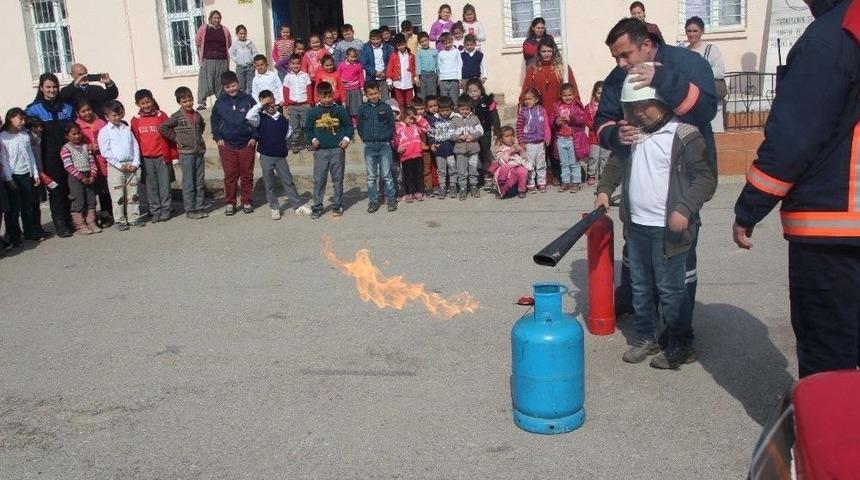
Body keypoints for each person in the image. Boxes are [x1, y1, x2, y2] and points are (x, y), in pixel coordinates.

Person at [732, 0, 860, 377]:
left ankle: (830, 435)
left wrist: (748, 210)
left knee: (829, 359)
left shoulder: (828, 40)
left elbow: (792, 142)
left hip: (831, 230)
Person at [596, 17, 717, 321]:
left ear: (647, 46)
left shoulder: (688, 64)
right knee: (637, 246)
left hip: (681, 179)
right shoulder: (616, 77)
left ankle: (678, 323)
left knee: (678, 253)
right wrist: (615, 134)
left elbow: (706, 111)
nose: (621, 63)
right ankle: (636, 305)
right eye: (616, 57)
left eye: (626, 55)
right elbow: (602, 121)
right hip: (641, 179)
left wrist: (661, 80)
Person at [596, 75, 716, 369]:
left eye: (643, 106)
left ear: (661, 102)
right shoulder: (631, 134)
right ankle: (646, 337)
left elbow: (706, 177)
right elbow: (616, 162)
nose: (637, 113)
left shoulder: (685, 134)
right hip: (636, 226)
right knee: (640, 285)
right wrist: (603, 190)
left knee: (671, 289)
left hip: (670, 230)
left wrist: (685, 209)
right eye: (631, 107)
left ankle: (682, 343)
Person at [245, 90, 312, 220]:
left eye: (271, 102)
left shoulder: (281, 119)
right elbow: (249, 116)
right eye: (266, 103)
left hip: (280, 156)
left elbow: (288, 132)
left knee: (288, 180)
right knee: (269, 183)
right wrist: (260, 104)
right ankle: (274, 207)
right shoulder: (260, 118)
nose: (269, 105)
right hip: (266, 156)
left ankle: (297, 206)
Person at [26, 73, 75, 238]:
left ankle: (70, 220)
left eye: (54, 87)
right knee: (56, 189)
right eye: (48, 87)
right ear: (41, 88)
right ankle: (61, 224)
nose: (52, 90)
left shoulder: (67, 107)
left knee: (69, 188)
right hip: (49, 157)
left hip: (68, 155)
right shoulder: (33, 109)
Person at [211, 71, 257, 216]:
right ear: (223, 88)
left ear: (238, 83)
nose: (231, 89)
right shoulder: (220, 102)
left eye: (233, 85)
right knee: (230, 175)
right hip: (227, 145)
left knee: (246, 174)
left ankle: (247, 201)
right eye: (227, 87)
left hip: (246, 143)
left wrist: (254, 137)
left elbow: (257, 118)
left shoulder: (248, 100)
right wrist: (218, 138)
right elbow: (214, 122)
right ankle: (230, 203)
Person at [305, 81, 353, 219]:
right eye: (323, 97)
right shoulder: (313, 111)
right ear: (318, 96)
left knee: (337, 178)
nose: (327, 100)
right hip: (320, 151)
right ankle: (318, 206)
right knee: (319, 179)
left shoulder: (340, 110)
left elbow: (348, 126)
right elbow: (307, 129)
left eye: (329, 96)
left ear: (333, 95)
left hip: (337, 150)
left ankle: (337, 205)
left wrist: (346, 139)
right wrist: (313, 140)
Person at [159, 86, 208, 219]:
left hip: (198, 151)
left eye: (190, 100)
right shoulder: (177, 116)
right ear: (179, 102)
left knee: (199, 181)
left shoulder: (197, 115)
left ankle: (199, 206)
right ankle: (190, 209)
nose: (188, 103)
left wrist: (198, 140)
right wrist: (176, 138)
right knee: (188, 182)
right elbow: (162, 127)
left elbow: (202, 126)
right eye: (185, 101)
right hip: (186, 153)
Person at [130, 89, 176, 223]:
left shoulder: (162, 116)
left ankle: (166, 209)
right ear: (137, 104)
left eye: (148, 102)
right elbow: (133, 141)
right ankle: (155, 211)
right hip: (146, 158)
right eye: (142, 103)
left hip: (162, 156)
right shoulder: (135, 120)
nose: (146, 105)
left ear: (152, 100)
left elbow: (170, 136)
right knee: (151, 186)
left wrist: (174, 156)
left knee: (164, 185)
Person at [98, 100, 143, 231]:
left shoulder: (126, 129)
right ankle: (120, 220)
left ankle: (134, 217)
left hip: (130, 165)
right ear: (107, 117)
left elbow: (135, 146)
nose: (117, 117)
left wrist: (135, 163)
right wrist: (119, 165)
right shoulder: (105, 131)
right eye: (113, 115)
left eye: (119, 114)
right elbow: (105, 151)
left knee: (133, 194)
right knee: (118, 195)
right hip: (115, 167)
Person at [1, 108, 42, 245]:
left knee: (27, 205)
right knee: (13, 209)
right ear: (10, 118)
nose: (23, 122)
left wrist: (34, 173)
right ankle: (14, 236)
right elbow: (4, 160)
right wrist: (8, 178)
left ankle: (29, 232)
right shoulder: (3, 138)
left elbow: (30, 155)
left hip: (26, 174)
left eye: (24, 119)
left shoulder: (25, 136)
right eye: (20, 119)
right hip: (13, 176)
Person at [357, 81, 398, 214]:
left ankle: (391, 199)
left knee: (386, 174)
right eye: (370, 94)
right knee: (371, 176)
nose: (373, 96)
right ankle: (373, 201)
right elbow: (360, 126)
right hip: (369, 146)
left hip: (384, 145)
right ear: (366, 94)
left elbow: (392, 125)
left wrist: (386, 137)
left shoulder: (385, 107)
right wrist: (366, 138)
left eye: (375, 93)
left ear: (379, 92)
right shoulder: (363, 109)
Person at [74, 100, 113, 227]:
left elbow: (109, 138)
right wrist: (90, 147)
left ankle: (106, 215)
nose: (87, 113)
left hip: (103, 161)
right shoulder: (77, 126)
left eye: (89, 110)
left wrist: (102, 146)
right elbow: (76, 143)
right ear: (78, 113)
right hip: (87, 163)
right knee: (90, 192)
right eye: (83, 111)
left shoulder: (101, 123)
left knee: (104, 191)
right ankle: (90, 218)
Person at [684, 16, 726, 133]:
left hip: (711, 101)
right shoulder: (684, 52)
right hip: (692, 101)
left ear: (702, 31)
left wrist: (699, 71)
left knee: (714, 136)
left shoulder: (711, 49)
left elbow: (720, 72)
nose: (692, 34)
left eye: (695, 31)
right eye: (689, 31)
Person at [60, 123, 100, 235]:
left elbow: (92, 161)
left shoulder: (86, 146)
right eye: (74, 134)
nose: (77, 136)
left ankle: (91, 222)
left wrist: (92, 175)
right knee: (78, 200)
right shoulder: (65, 149)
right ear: (67, 136)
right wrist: (81, 177)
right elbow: (68, 166)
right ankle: (80, 225)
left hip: (89, 175)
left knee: (91, 200)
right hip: (75, 177)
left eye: (78, 133)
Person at [551, 83, 589, 192]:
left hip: (573, 139)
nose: (567, 98)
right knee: (564, 162)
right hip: (561, 139)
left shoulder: (577, 106)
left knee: (573, 162)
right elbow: (552, 120)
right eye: (565, 95)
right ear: (561, 96)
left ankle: (576, 182)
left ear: (574, 95)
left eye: (570, 95)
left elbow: (582, 120)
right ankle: (566, 181)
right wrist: (556, 122)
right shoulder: (557, 106)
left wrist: (571, 119)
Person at [464, 78, 500, 187]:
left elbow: (495, 118)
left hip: (485, 132)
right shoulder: (467, 103)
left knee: (485, 153)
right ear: (467, 92)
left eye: (476, 90)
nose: (473, 93)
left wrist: (497, 132)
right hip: (472, 134)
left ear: (481, 89)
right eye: (471, 91)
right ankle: (477, 177)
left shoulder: (487, 100)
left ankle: (487, 175)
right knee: (475, 154)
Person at [194, 10, 232, 110]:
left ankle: (222, 101)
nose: (217, 20)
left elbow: (229, 43)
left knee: (221, 82)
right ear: (210, 18)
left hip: (222, 60)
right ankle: (202, 102)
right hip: (208, 60)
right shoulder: (204, 28)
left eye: (218, 18)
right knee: (205, 81)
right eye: (215, 18)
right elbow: (198, 41)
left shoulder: (225, 30)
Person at [393, 105, 430, 202]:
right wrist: (398, 148)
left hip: (417, 154)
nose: (412, 121)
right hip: (406, 156)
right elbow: (394, 140)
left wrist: (418, 118)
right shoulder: (398, 126)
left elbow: (427, 128)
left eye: (413, 119)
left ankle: (419, 192)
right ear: (404, 115)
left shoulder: (416, 126)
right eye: (410, 118)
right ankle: (409, 193)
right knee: (408, 175)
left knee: (418, 174)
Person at [517, 88, 551, 192]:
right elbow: (519, 127)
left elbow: (546, 125)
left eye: (530, 99)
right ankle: (530, 183)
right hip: (529, 143)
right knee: (530, 164)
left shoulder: (541, 110)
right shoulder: (523, 112)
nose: (527, 101)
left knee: (541, 164)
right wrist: (522, 141)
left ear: (536, 99)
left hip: (540, 143)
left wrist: (547, 137)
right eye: (526, 99)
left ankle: (541, 182)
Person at [451, 94, 484, 200]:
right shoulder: (455, 120)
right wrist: (459, 137)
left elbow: (480, 131)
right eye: (462, 109)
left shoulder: (475, 118)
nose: (465, 111)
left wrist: (473, 136)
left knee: (473, 168)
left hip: (473, 149)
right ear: (458, 108)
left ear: (471, 108)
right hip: (460, 150)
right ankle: (463, 188)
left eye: (467, 109)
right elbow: (450, 134)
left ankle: (474, 186)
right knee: (461, 170)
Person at [283, 54, 313, 153]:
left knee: (306, 125)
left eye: (298, 63)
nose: (296, 66)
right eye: (293, 64)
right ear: (290, 65)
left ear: (301, 64)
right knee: (294, 126)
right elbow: (285, 91)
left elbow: (309, 89)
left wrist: (310, 102)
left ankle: (309, 143)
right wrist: (287, 105)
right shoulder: (287, 77)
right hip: (292, 106)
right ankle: (295, 144)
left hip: (304, 104)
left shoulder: (305, 75)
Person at [429, 96, 457, 198]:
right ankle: (442, 187)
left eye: (447, 110)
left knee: (452, 168)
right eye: (442, 110)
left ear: (451, 108)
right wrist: (432, 143)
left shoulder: (455, 118)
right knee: (441, 170)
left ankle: (453, 186)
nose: (445, 113)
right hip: (439, 149)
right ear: (439, 109)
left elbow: (458, 132)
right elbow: (431, 133)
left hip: (451, 148)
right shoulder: (435, 119)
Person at [493, 125, 531, 199]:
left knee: (523, 171)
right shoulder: (500, 149)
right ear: (501, 139)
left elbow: (523, 158)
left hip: (516, 166)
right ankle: (501, 190)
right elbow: (501, 162)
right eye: (507, 136)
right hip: (506, 169)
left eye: (512, 135)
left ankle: (521, 189)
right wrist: (510, 152)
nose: (510, 138)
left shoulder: (515, 146)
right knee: (501, 175)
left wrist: (521, 150)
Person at [585, 81, 611, 185]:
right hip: (594, 136)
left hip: (605, 136)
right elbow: (586, 119)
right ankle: (591, 174)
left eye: (603, 93)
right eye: (599, 93)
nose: (601, 95)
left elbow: (612, 118)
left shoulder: (609, 105)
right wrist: (594, 126)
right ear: (594, 93)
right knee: (594, 156)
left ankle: (603, 175)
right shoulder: (589, 107)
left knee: (605, 157)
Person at [360, 30, 394, 102]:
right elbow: (364, 63)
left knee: (385, 98)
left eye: (378, 39)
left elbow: (390, 62)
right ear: (370, 39)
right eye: (373, 39)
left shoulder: (387, 48)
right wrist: (375, 72)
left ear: (381, 38)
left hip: (384, 77)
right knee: (373, 97)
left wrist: (385, 72)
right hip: (372, 77)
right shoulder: (366, 48)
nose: (376, 41)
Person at [387, 34, 418, 109]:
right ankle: (402, 117)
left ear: (406, 43)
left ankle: (409, 117)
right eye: (398, 45)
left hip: (408, 82)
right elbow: (390, 68)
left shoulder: (411, 55)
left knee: (409, 102)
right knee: (400, 102)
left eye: (403, 44)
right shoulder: (393, 55)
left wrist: (415, 78)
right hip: (398, 83)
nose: (401, 47)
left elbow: (414, 68)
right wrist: (389, 80)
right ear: (396, 46)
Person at [338, 48, 366, 127]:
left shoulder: (358, 65)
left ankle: (356, 121)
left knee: (355, 106)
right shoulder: (342, 65)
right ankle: (348, 122)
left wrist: (362, 88)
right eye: (352, 57)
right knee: (347, 106)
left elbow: (361, 77)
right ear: (347, 56)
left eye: (355, 57)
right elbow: (338, 76)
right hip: (345, 89)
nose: (353, 59)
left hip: (355, 89)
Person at [230, 25, 258, 94]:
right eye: (240, 34)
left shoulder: (249, 43)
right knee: (241, 85)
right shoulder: (235, 44)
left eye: (244, 34)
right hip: (240, 67)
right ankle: (242, 100)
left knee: (251, 84)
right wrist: (237, 60)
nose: (242, 35)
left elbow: (255, 52)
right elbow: (232, 54)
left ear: (246, 33)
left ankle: (251, 100)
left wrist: (252, 60)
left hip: (250, 67)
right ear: (237, 34)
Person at [437, 33, 463, 101]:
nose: (448, 45)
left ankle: (455, 110)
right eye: (445, 43)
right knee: (444, 99)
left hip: (454, 79)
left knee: (454, 98)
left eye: (449, 42)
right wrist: (439, 78)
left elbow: (460, 64)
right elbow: (439, 67)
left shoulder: (456, 51)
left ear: (452, 41)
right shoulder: (440, 54)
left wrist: (459, 78)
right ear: (442, 44)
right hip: (443, 80)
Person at [417, 32, 439, 100]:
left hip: (432, 74)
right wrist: (417, 77)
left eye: (425, 40)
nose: (424, 43)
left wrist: (438, 75)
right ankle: (423, 108)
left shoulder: (435, 51)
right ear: (419, 43)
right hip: (422, 75)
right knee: (422, 93)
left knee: (432, 93)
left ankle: (432, 107)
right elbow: (418, 64)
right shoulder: (419, 52)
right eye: (422, 42)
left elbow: (437, 64)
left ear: (428, 40)